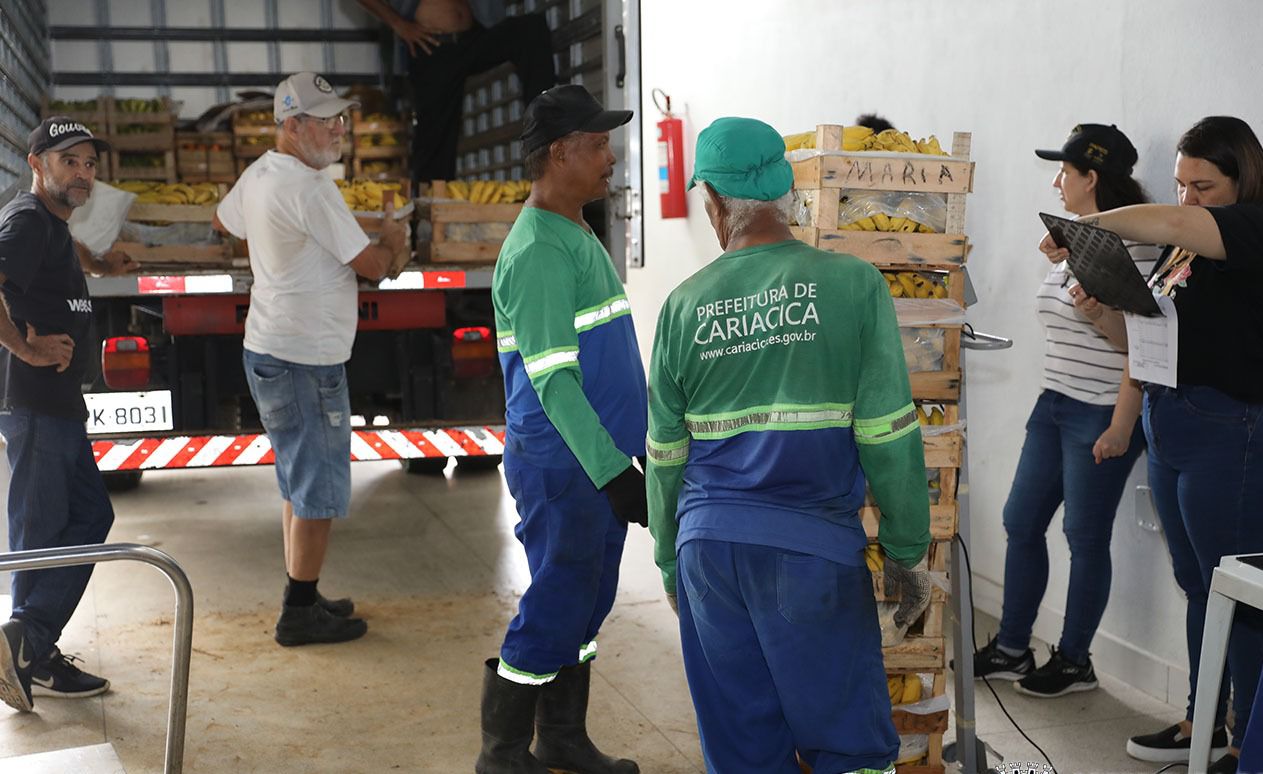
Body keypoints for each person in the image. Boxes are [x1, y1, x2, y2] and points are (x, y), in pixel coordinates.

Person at [647, 116, 932, 774]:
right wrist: (906, 550)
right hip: (809, 555)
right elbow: (887, 434)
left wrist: (668, 561)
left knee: (743, 748)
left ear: (713, 202)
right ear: (786, 192)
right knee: (850, 748)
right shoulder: (851, 285)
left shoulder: (683, 306)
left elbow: (665, 454)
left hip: (708, 553)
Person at [1039, 116, 1263, 774]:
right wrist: (1099, 314)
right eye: (1179, 184)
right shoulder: (1182, 254)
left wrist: (1086, 227)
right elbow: (1139, 345)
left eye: (1204, 186)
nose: (1188, 200)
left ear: (1242, 180)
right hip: (1169, 422)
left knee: (1240, 596)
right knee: (1199, 588)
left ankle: (1245, 742)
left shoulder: (1249, 227)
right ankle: (1204, 722)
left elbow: (1167, 222)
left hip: (1228, 430)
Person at [476, 84, 644, 774]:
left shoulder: (572, 229)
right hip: (568, 464)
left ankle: (563, 739)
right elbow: (552, 382)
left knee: (588, 598)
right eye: (599, 144)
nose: (611, 157)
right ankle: (503, 753)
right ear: (559, 152)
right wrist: (611, 473)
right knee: (558, 599)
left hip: (595, 461)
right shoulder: (540, 250)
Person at [212, 72, 409, 648]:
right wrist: (395, 243)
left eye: (343, 118)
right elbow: (371, 266)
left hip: (271, 347)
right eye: (327, 120)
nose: (340, 129)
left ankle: (303, 588)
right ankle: (298, 613)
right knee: (318, 490)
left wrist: (282, 251)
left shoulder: (260, 173)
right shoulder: (311, 187)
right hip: (305, 359)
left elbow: (225, 222)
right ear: (292, 125)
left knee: (296, 484)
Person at [972, 124, 1155, 698]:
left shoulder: (1143, 243)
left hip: (1100, 409)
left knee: (1084, 535)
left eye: (1064, 172)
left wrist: (1123, 423)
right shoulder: (1074, 240)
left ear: (1091, 178)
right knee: (1021, 521)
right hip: (1054, 402)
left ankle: (1075, 660)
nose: (1056, 182)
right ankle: (1011, 649)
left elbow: (1148, 343)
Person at [0, 118, 139, 712]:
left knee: (82, 518)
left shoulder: (53, 226)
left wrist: (103, 266)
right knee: (43, 538)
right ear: (37, 164)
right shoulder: (29, 220)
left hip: (56, 407)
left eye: (88, 163)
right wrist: (26, 347)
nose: (82, 173)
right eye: (68, 161)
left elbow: (64, 253)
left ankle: (31, 646)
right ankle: (26, 643)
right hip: (34, 406)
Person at [356, 0, 557, 183]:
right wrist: (399, 25)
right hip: (431, 46)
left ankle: (545, 130)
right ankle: (431, 214)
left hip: (475, 35)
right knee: (434, 143)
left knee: (531, 30)